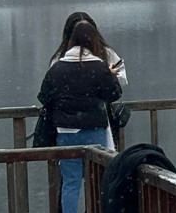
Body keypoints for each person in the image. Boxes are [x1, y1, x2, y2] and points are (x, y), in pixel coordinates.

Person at [37, 21, 122, 213]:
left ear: (71, 41)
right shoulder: (98, 67)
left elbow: (44, 96)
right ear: (93, 40)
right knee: (98, 179)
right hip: (94, 130)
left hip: (66, 132)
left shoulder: (58, 68)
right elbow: (114, 93)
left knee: (71, 181)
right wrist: (110, 76)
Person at [51, 12, 127, 148]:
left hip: (75, 123)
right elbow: (115, 91)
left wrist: (108, 76)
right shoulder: (60, 59)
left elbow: (121, 79)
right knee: (98, 162)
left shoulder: (107, 53)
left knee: (74, 165)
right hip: (90, 122)